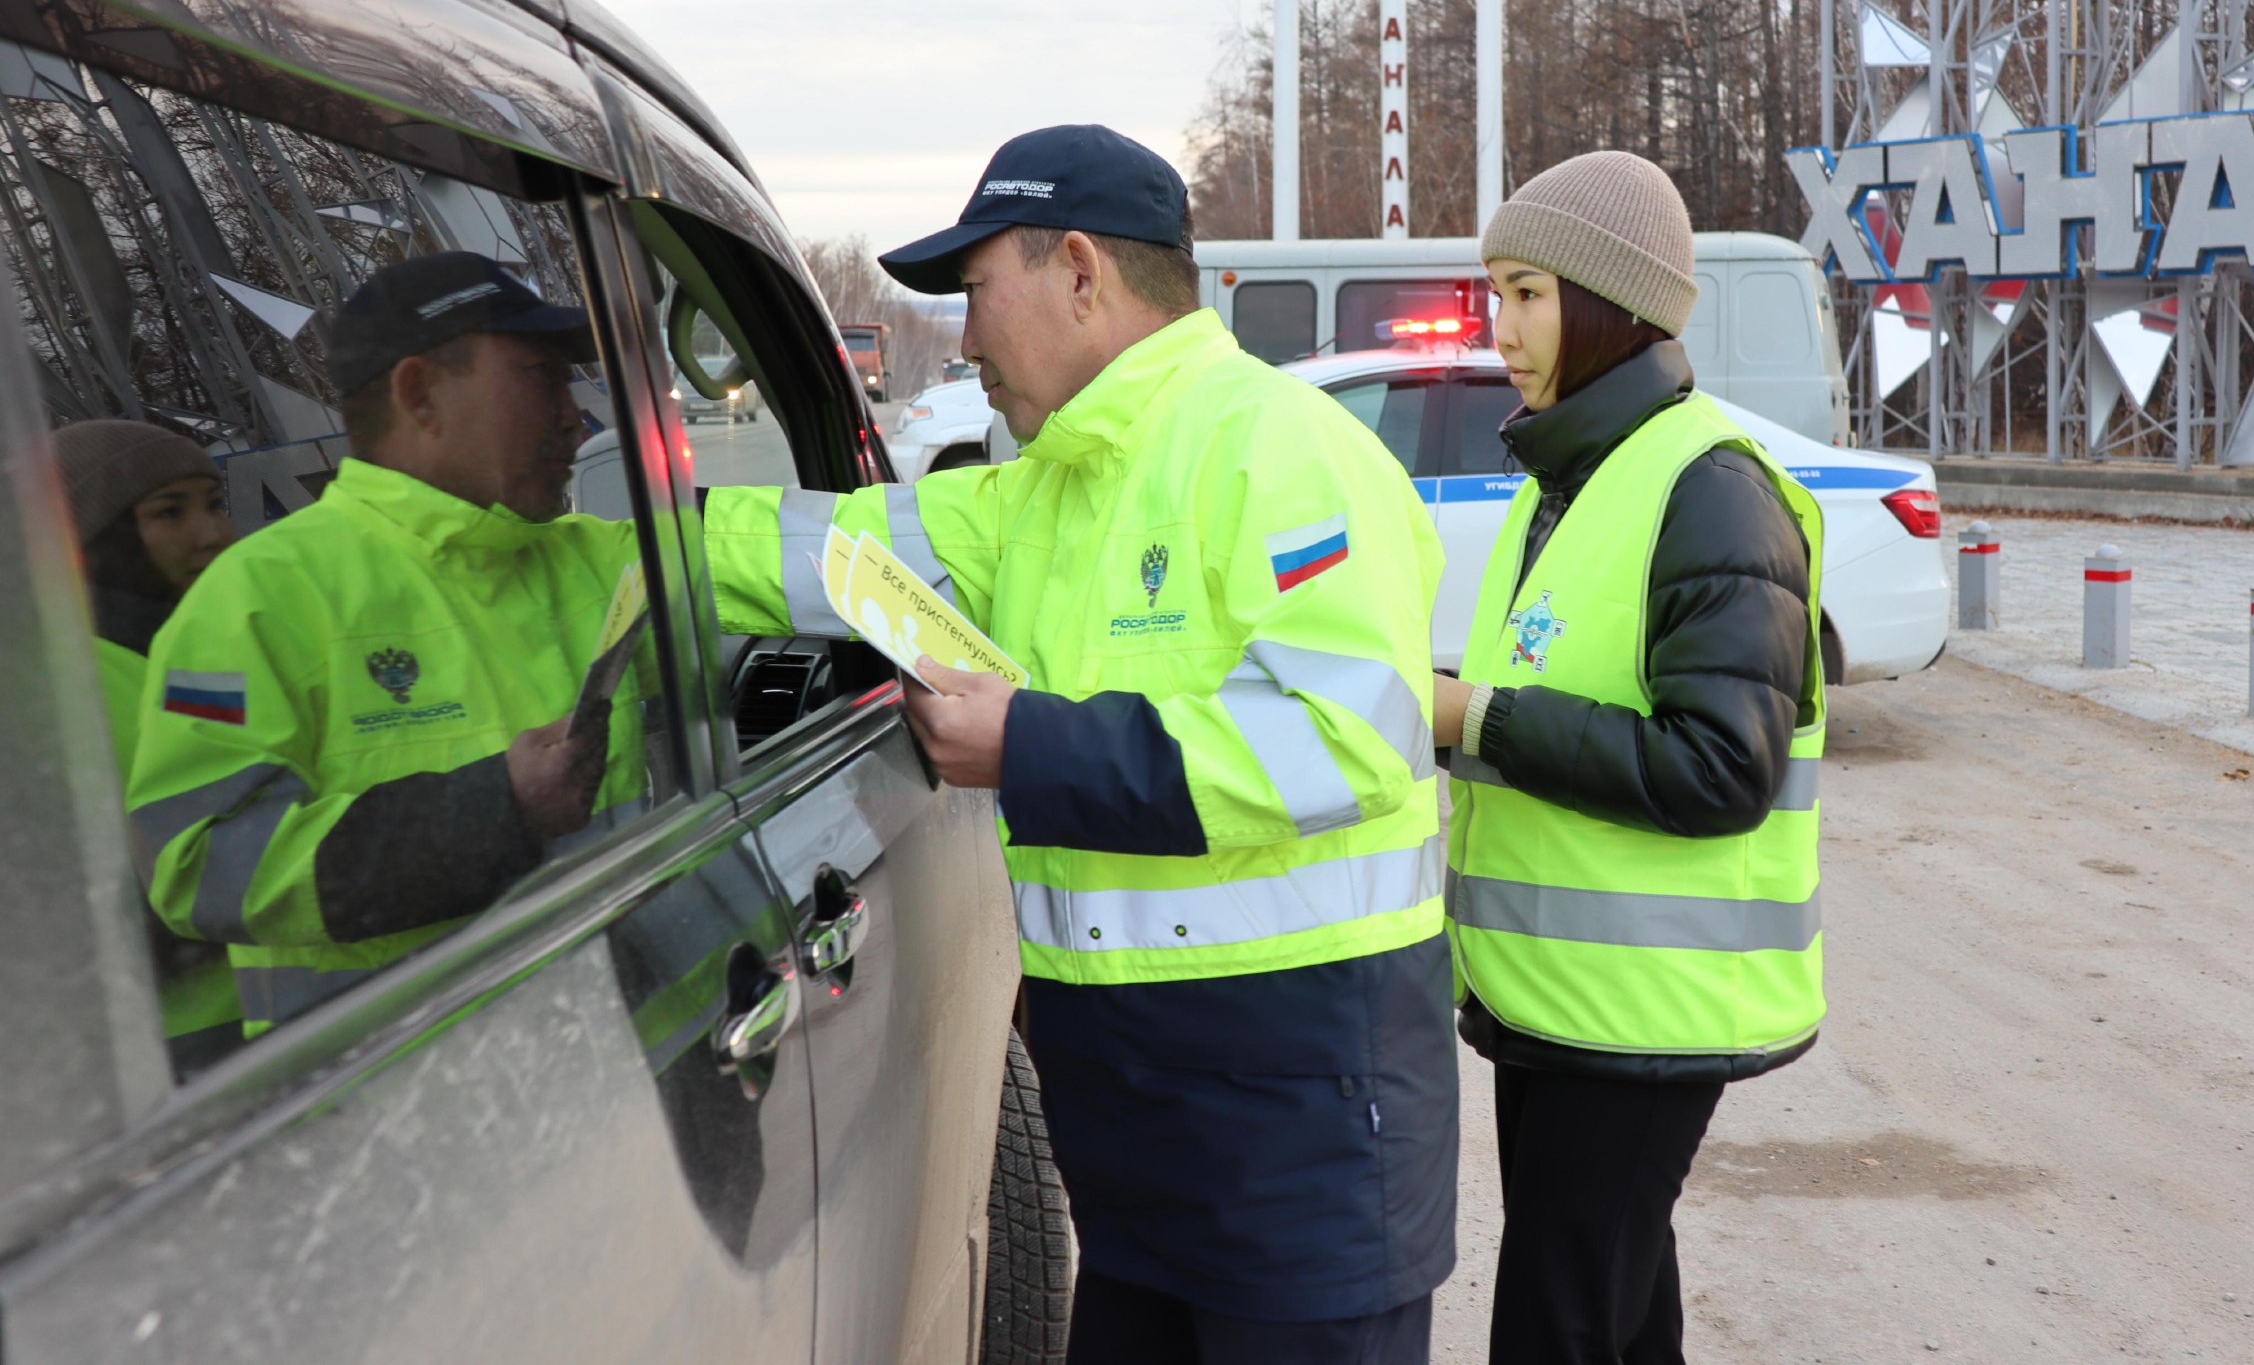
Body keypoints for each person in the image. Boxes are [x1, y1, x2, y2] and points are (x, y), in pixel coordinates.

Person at [702, 125, 1458, 1363]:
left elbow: (1344, 740)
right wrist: (603, 549)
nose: (965, 338)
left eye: (976, 292)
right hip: (1134, 1144)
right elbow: (821, 553)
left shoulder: (1282, 450)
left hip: (1304, 1137)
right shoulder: (1042, 490)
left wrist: (1033, 746)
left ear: (1079, 270)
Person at [1427, 152, 1827, 1365]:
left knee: (1561, 1319)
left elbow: (1722, 767)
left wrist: (1470, 718)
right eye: (1493, 293)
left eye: (1529, 295)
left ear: (1613, 305)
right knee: (1615, 1307)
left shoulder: (1707, 488)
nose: (1500, 328)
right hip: (1559, 1003)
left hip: (1642, 1013)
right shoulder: (1567, 476)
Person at [126, 254, 657, 1034]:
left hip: (638, 1071)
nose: (573, 416)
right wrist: (492, 808)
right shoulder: (255, 600)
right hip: (404, 1115)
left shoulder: (601, 556)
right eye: (540, 376)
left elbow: (803, 553)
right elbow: (197, 865)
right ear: (419, 395)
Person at [53, 418, 244, 1071]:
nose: (213, 533)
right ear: (97, 537)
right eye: (171, 511)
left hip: (292, 1006)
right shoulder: (65, 685)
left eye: (215, 503)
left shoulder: (202, 652)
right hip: (182, 1051)